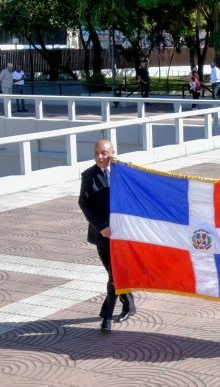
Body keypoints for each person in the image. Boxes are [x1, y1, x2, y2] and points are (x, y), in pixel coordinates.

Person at [78, 139, 136, 332]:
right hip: (102, 235)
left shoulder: (125, 172)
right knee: (114, 274)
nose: (100, 157)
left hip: (123, 235)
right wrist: (101, 226)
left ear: (113, 153)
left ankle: (106, 316)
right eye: (96, 153)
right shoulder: (89, 175)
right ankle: (129, 304)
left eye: (104, 153)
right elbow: (84, 203)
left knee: (114, 277)